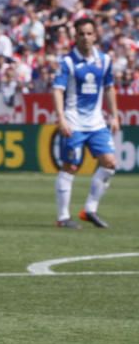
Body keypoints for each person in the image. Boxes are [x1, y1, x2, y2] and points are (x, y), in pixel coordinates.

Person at [52, 17, 119, 228]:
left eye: (89, 33)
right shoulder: (68, 62)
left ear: (95, 35)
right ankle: (63, 218)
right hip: (74, 122)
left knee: (109, 164)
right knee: (70, 166)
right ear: (75, 37)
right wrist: (61, 118)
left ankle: (89, 210)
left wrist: (115, 115)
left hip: (97, 123)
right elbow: (58, 90)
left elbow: (109, 87)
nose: (85, 37)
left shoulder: (104, 60)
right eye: (81, 34)